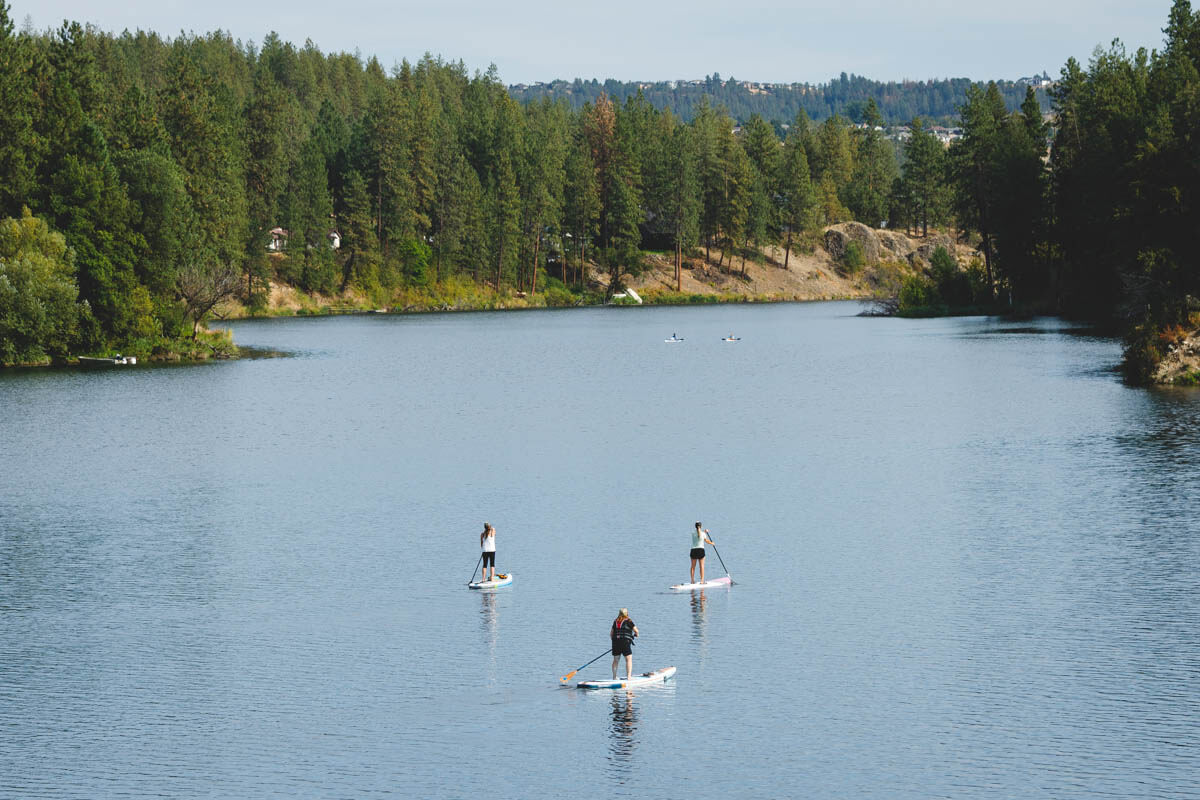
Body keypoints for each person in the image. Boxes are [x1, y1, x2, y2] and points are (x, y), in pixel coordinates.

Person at [610, 608, 639, 679]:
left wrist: (615, 642)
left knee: (616, 660)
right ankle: (629, 677)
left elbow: (611, 634)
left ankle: (614, 677)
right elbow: (636, 631)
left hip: (615, 642)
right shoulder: (629, 621)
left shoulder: (615, 621)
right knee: (628, 659)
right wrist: (636, 635)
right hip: (625, 642)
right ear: (626, 613)